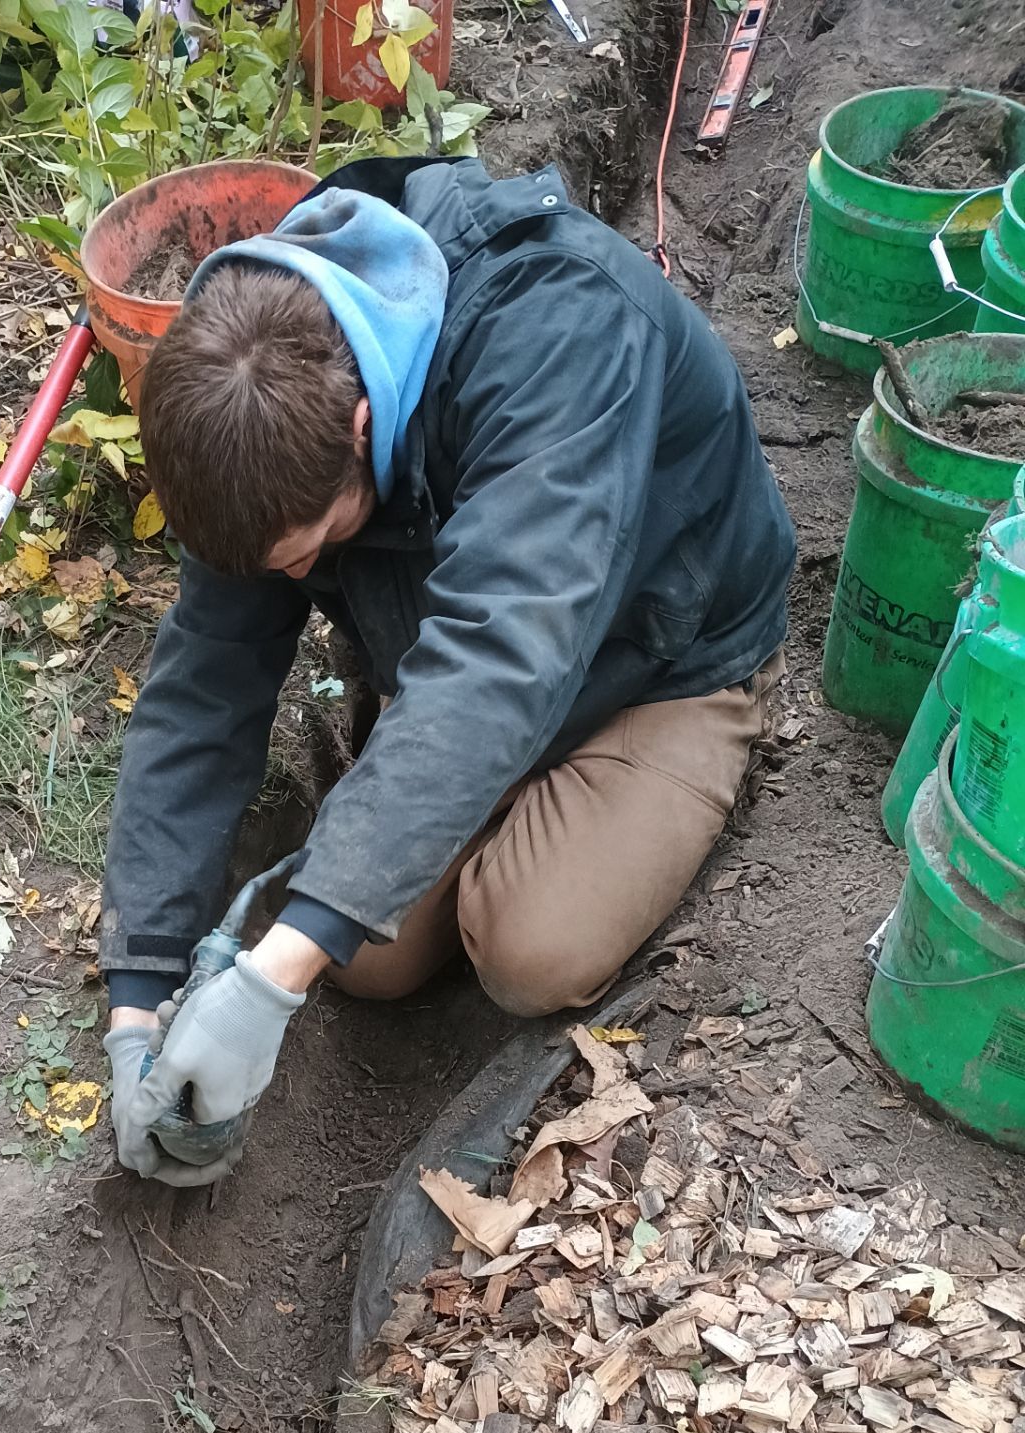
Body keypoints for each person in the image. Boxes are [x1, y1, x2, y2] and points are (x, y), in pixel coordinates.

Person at [100, 153, 796, 1185]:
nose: (291, 576)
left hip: (659, 653)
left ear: (362, 425)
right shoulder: (254, 402)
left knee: (528, 948)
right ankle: (478, 816)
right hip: (462, 641)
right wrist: (137, 994)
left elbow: (502, 654)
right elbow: (204, 685)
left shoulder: (559, 329)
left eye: (304, 553)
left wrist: (267, 982)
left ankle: (665, 772)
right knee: (368, 964)